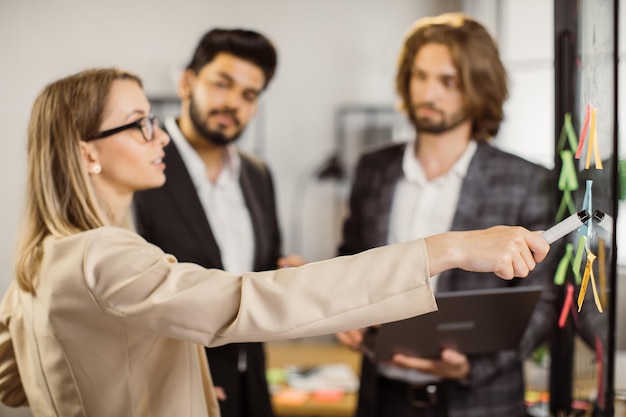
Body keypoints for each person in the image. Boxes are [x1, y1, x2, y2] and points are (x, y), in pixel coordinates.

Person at [0, 67, 549, 417]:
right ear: (87, 152)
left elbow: (17, 380)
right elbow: (254, 301)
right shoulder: (102, 254)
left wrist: (181, 389)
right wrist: (447, 248)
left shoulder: (43, 256)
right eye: (140, 123)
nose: (160, 134)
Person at [335, 12, 559, 417]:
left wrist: (473, 366)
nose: (428, 93)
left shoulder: (527, 180)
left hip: (482, 401)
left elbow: (544, 301)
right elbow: (351, 264)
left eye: (448, 81)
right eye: (419, 76)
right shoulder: (373, 170)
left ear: (478, 87)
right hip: (382, 398)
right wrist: (343, 314)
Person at [132, 28, 289, 417]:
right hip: (176, 392)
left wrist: (287, 274)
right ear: (188, 82)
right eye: (223, 84)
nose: (233, 103)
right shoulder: (141, 168)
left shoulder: (258, 175)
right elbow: (126, 300)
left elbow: (259, 275)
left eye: (249, 95)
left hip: (251, 386)